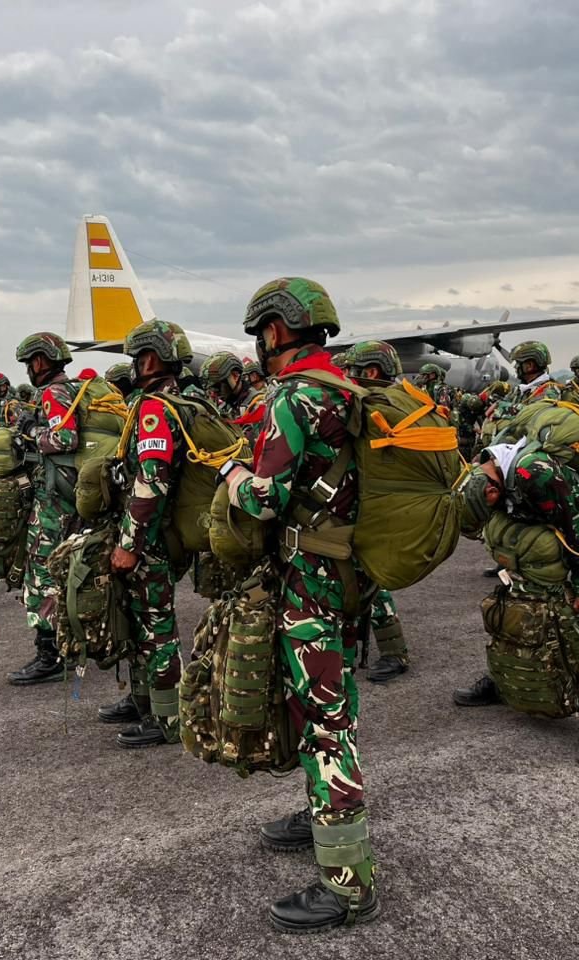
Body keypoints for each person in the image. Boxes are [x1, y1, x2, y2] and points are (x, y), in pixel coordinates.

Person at [219, 277, 379, 933]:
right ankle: (321, 812)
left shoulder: (294, 396)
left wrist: (231, 476)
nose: (259, 345)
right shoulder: (346, 390)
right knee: (327, 704)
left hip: (310, 577)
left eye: (260, 333)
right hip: (345, 569)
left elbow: (264, 499)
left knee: (323, 720)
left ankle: (348, 889)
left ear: (277, 332)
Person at [454, 436, 579, 767]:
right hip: (554, 529)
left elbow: (575, 529)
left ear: (492, 491)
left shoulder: (531, 471)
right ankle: (505, 682)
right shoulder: (485, 467)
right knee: (519, 602)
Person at [107, 319, 189, 748]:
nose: (135, 366)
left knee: (157, 627)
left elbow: (151, 481)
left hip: (150, 540)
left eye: (137, 358)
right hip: (158, 535)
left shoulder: (157, 408)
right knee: (140, 621)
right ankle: (144, 701)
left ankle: (169, 717)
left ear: (152, 358)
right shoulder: (176, 400)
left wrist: (129, 545)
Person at [6, 333, 79, 685]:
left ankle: (51, 653)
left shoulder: (53, 393)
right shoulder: (71, 389)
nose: (28, 369)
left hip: (54, 501)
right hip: (65, 495)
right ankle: (66, 644)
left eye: (29, 362)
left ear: (41, 361)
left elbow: (65, 439)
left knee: (43, 573)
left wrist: (32, 432)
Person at [341, 341, 415, 684]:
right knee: (368, 581)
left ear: (371, 372)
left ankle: (393, 652)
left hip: (369, 509)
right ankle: (389, 650)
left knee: (366, 583)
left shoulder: (373, 405)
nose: (349, 376)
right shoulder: (403, 402)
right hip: (385, 507)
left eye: (354, 370)